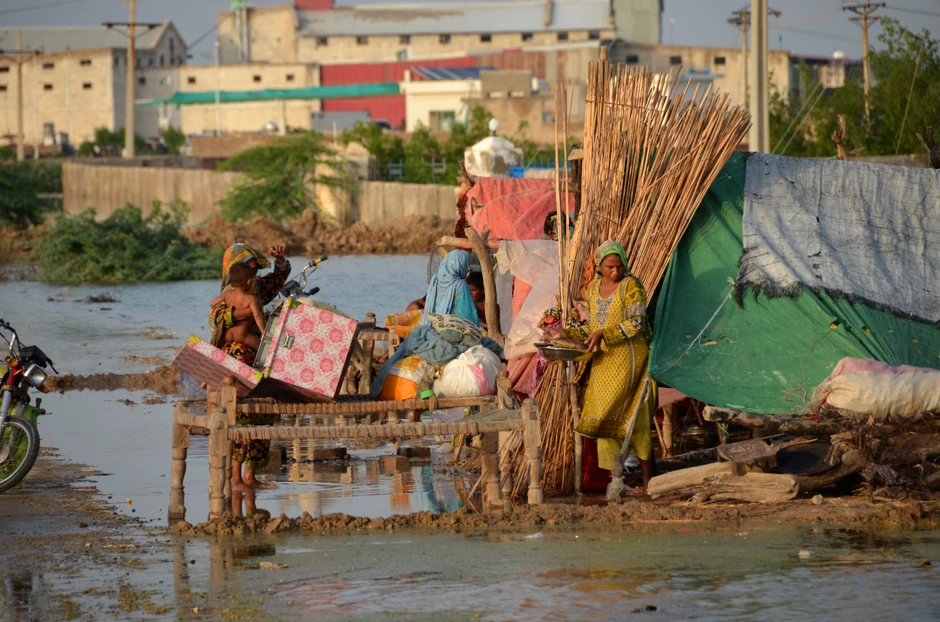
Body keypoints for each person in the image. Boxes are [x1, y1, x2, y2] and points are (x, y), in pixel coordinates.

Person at [543, 240, 656, 494]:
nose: (615, 272)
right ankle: (616, 480)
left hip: (630, 360)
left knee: (634, 417)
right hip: (603, 363)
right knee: (605, 420)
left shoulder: (632, 287)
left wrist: (604, 334)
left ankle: (649, 480)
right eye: (609, 267)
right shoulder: (593, 291)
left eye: (619, 266)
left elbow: (637, 323)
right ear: (599, 267)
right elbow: (590, 327)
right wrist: (560, 334)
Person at [209, 243, 290, 492]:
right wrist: (250, 310)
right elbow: (218, 319)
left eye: (255, 262)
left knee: (261, 414)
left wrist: (281, 260)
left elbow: (277, 280)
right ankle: (236, 478)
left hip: (255, 356)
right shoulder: (232, 291)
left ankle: (250, 476)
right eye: (250, 262)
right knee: (240, 415)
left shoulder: (254, 287)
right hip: (237, 357)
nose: (255, 265)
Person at [209, 263, 266, 352]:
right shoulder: (250, 298)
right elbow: (257, 315)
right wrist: (263, 332)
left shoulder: (227, 294)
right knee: (263, 350)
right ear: (249, 281)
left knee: (216, 351)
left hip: (226, 334)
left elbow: (212, 304)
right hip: (242, 335)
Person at [422, 250, 479, 325]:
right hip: (449, 327)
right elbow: (467, 316)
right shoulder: (461, 285)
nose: (467, 268)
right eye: (466, 265)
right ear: (461, 265)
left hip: (431, 324)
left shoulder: (435, 279)